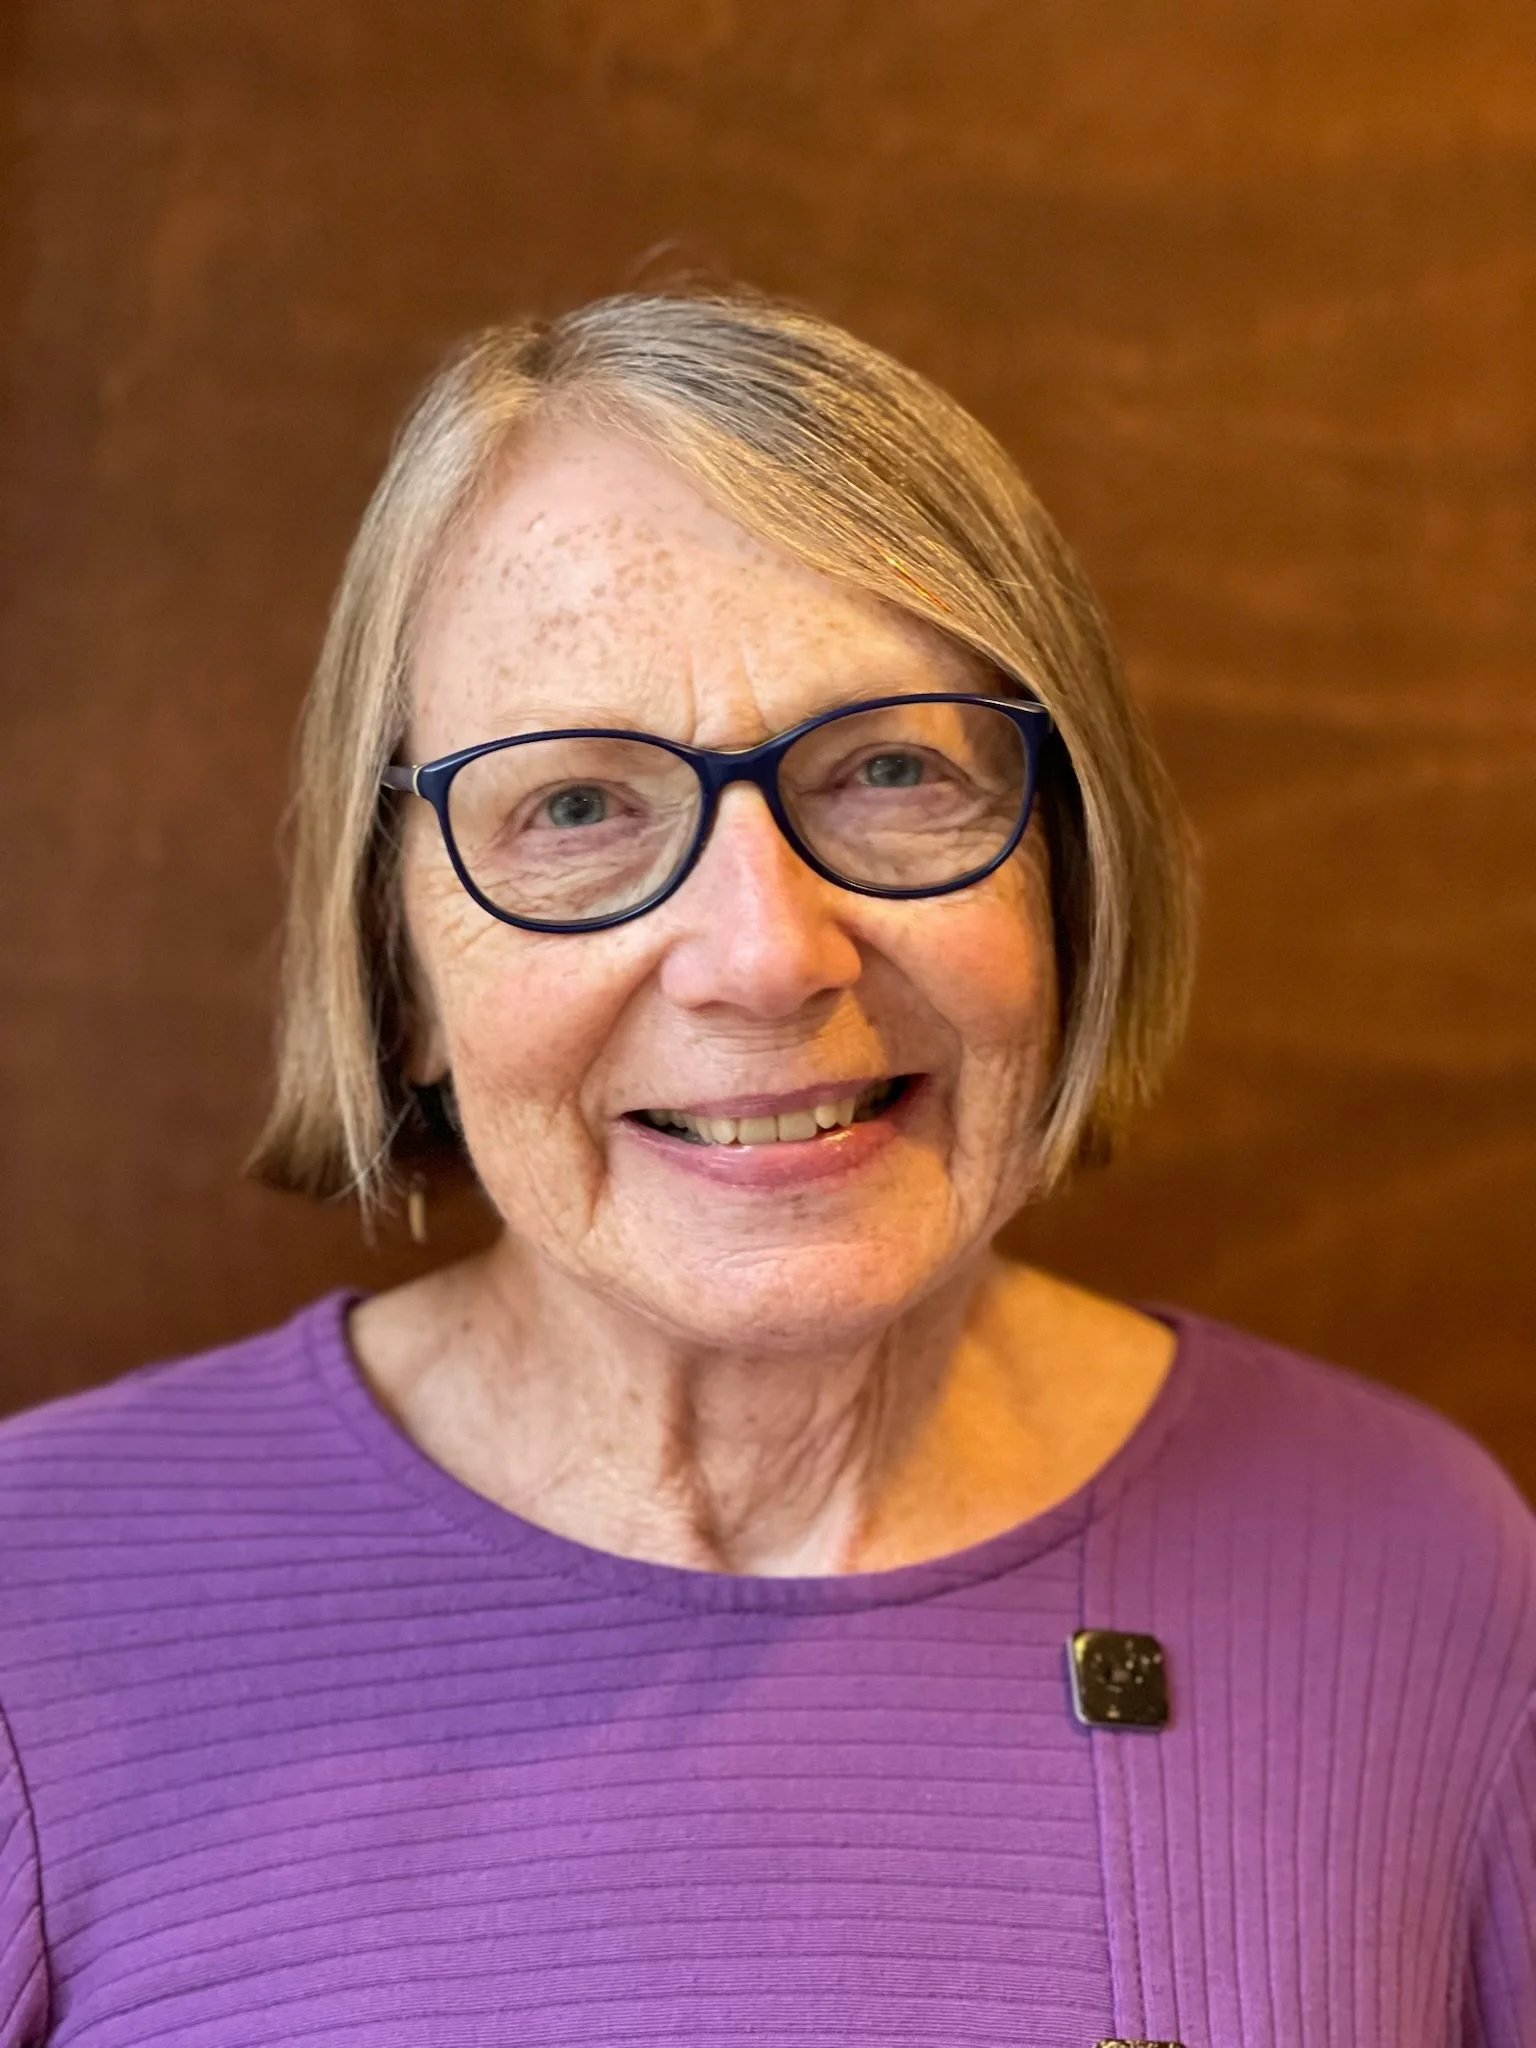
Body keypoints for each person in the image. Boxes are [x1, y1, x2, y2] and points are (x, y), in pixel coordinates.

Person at [0, 290, 1530, 2048]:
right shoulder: (31, 1611)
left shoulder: (1415, 1564)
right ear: (399, 963)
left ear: (1067, 874)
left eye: (888, 770)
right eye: (576, 807)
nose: (765, 955)